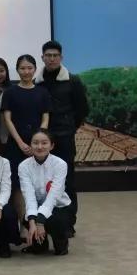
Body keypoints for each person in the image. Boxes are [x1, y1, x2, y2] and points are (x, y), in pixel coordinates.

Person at [35, 40, 89, 231]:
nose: (51, 59)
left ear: (61, 57)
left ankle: (68, 223)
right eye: (48, 55)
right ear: (42, 58)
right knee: (42, 181)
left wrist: (69, 128)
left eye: (55, 55)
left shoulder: (73, 81)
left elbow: (82, 109)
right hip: (41, 141)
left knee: (66, 181)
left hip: (64, 138)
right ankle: (44, 221)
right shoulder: (36, 82)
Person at [2, 54, 51, 229]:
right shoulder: (10, 92)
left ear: (35, 69)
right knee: (17, 184)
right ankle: (22, 224)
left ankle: (38, 222)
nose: (26, 71)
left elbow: (45, 118)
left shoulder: (42, 92)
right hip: (15, 145)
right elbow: (7, 119)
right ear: (17, 70)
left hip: (37, 146)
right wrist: (20, 142)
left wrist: (36, 142)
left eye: (30, 68)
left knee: (36, 183)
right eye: (22, 68)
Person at [18, 129, 74, 256]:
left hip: (59, 206)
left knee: (57, 221)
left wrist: (40, 221)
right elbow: (29, 195)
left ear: (52, 145)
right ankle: (40, 245)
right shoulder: (23, 166)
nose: (39, 147)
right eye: (35, 143)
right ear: (30, 145)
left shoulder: (60, 164)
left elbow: (53, 196)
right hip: (37, 206)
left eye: (44, 143)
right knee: (27, 217)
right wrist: (32, 222)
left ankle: (61, 243)